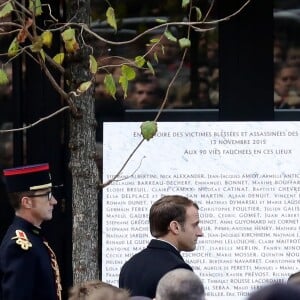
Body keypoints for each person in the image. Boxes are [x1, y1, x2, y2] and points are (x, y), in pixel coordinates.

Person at [119, 195, 203, 298]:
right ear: (175, 227)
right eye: (195, 225)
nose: (200, 233)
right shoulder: (178, 270)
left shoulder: (129, 266)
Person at [0, 163, 62, 300]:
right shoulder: (20, 246)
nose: (54, 201)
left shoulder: (33, 237)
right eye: (48, 195)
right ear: (27, 202)